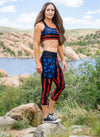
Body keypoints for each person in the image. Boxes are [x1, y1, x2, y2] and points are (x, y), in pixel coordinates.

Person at [33, 2, 67, 123]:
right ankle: (46, 116)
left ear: (54, 12)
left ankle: (51, 112)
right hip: (46, 59)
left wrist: (63, 60)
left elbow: (59, 45)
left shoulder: (56, 26)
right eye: (48, 10)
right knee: (46, 89)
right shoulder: (40, 26)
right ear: (44, 11)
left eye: (52, 10)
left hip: (55, 59)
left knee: (61, 85)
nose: (50, 12)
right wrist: (37, 62)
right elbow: (36, 45)